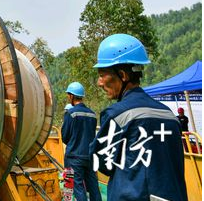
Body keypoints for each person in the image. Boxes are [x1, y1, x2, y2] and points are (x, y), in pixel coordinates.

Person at [90, 33, 187, 201]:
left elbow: (103, 163)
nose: (99, 83)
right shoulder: (169, 115)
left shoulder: (117, 115)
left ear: (123, 75)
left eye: (102, 75)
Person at [61, 81, 102, 201]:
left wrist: (73, 143)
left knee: (76, 186)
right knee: (93, 187)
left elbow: (65, 136)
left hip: (73, 157)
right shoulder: (92, 115)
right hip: (89, 157)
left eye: (68, 95)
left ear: (72, 96)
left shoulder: (71, 113)